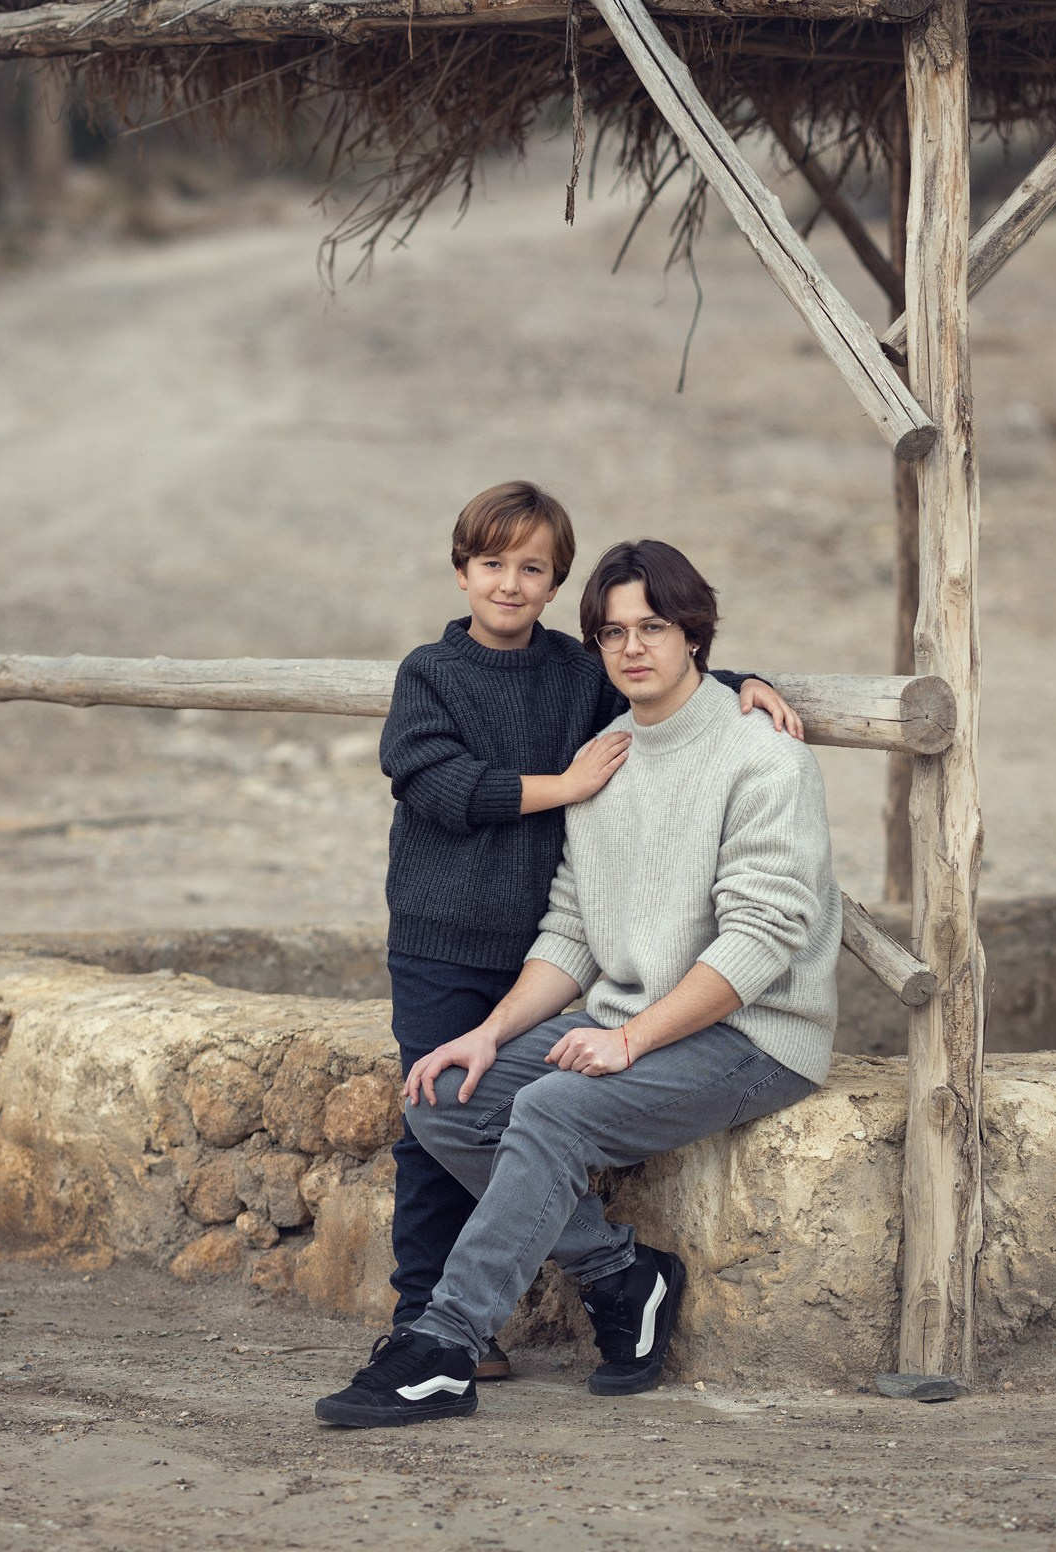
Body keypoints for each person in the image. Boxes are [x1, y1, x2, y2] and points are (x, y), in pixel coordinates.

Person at [319, 538, 841, 1427]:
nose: (632, 648)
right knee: (445, 1097)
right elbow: (572, 927)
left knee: (553, 1108)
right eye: (610, 633)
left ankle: (443, 1346)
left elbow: (760, 942)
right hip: (635, 1021)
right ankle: (620, 1277)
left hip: (753, 1036)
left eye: (653, 627)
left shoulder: (763, 761)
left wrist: (630, 1037)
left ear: (693, 635)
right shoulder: (604, 758)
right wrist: (488, 1032)